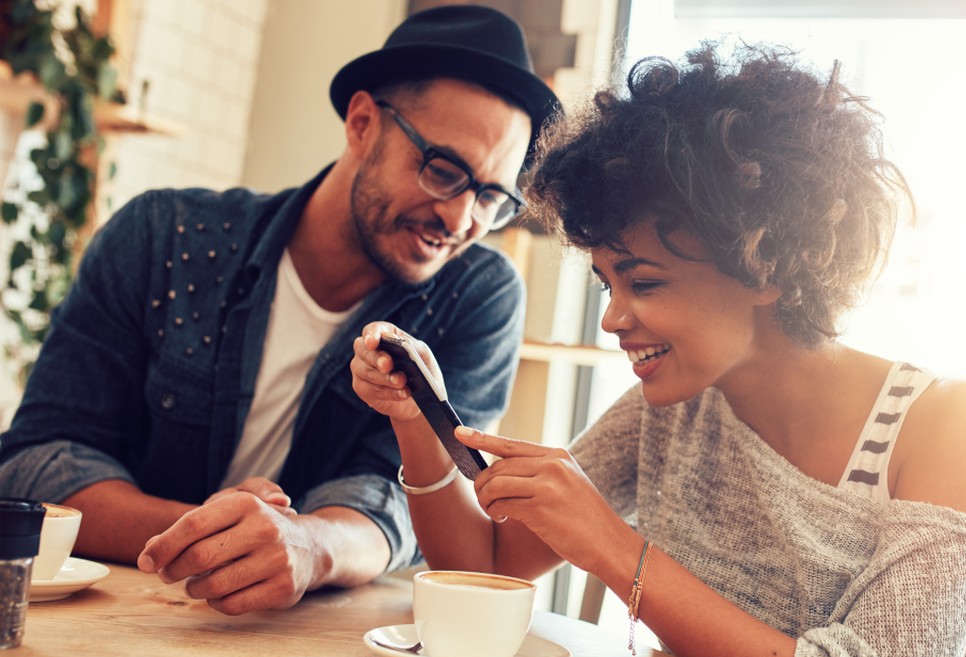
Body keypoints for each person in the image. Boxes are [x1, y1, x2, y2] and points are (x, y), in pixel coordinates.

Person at [351, 42, 966, 657]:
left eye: (643, 281)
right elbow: (489, 565)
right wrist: (417, 421)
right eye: (606, 282)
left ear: (765, 265)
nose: (613, 317)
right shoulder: (673, 407)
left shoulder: (951, 426)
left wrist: (612, 545)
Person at [0, 5, 558, 615]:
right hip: (108, 614)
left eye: (491, 197)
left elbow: (399, 501)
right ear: (363, 123)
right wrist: (238, 538)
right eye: (444, 170)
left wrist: (310, 547)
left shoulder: (477, 294)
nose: (460, 220)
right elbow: (37, 463)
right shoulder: (163, 235)